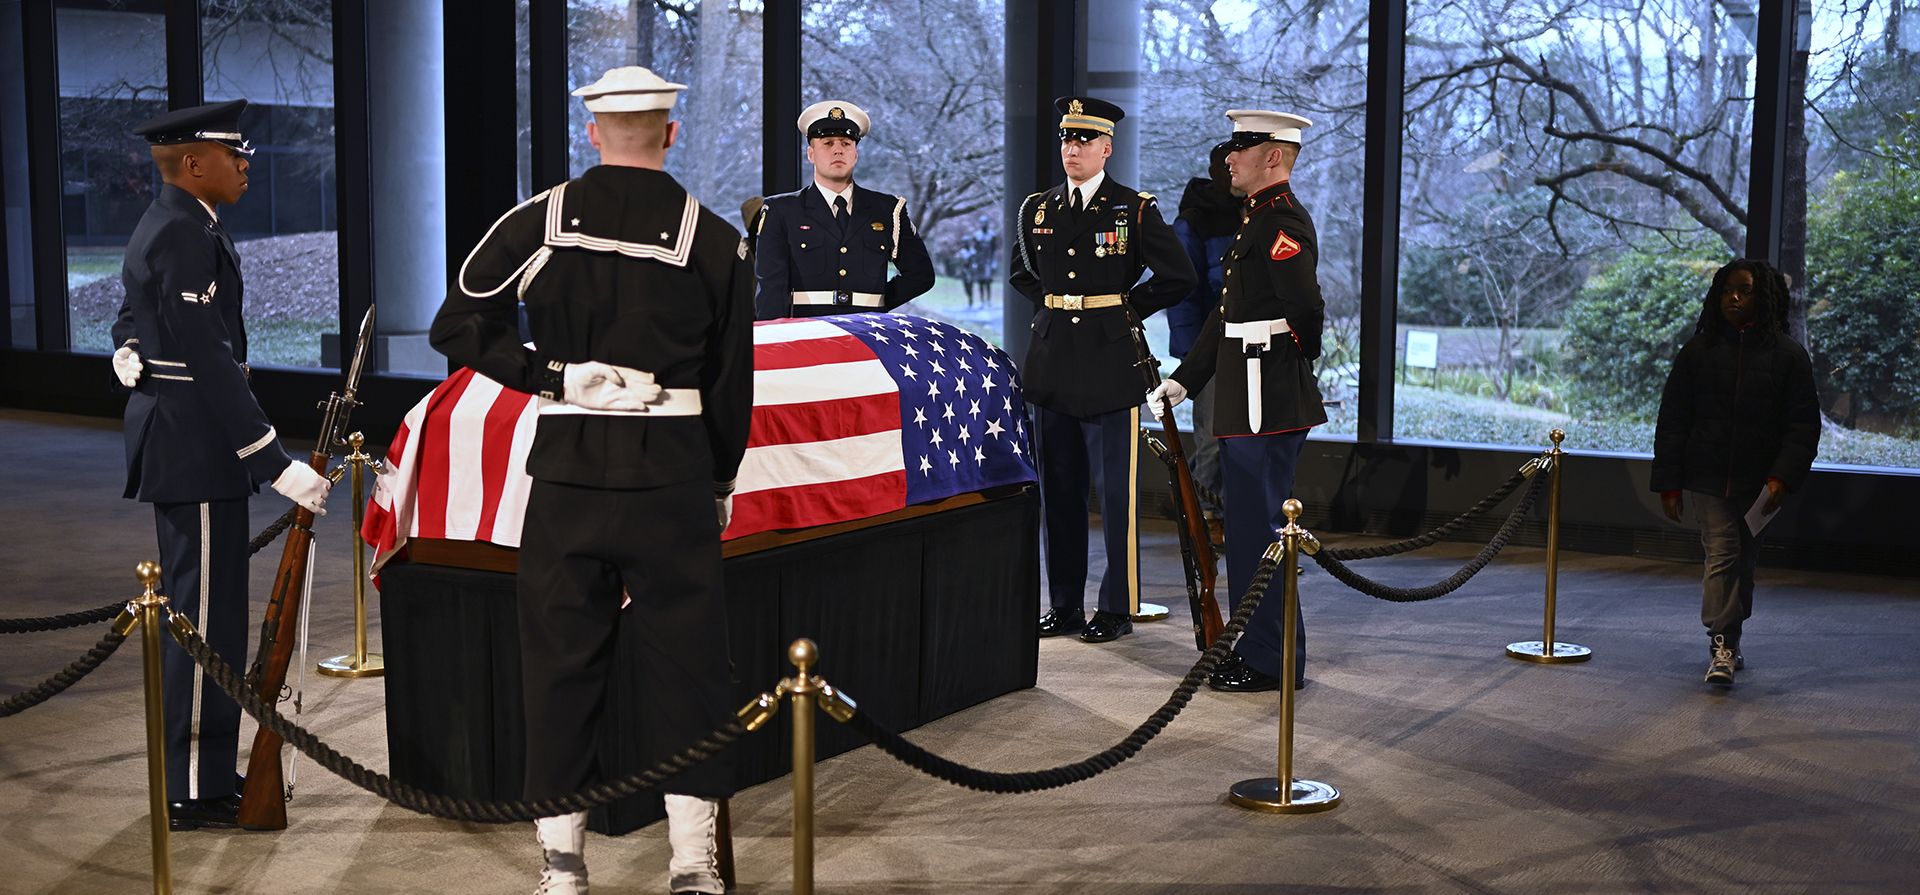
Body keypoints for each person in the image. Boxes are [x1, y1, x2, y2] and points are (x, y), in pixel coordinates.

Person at [429, 66, 753, 895]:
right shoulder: (717, 240)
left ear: (592, 133)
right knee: (689, 670)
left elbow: (458, 323)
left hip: (568, 477)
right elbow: (730, 385)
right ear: (671, 134)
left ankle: (562, 867)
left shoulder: (537, 224)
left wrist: (553, 376)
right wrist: (717, 478)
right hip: (673, 479)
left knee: (560, 665)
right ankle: (691, 865)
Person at [110, 98, 333, 830]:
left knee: (211, 622)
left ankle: (203, 774)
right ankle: (190, 786)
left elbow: (142, 309)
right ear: (195, 163)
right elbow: (206, 358)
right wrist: (274, 461)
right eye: (234, 156)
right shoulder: (181, 231)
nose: (244, 166)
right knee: (203, 625)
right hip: (196, 447)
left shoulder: (183, 224)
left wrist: (128, 344)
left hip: (192, 441)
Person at [1148, 110, 1327, 692]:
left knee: (1262, 533)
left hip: (1264, 397)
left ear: (1272, 156)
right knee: (1249, 532)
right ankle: (1259, 650)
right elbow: (1227, 316)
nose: (1230, 157)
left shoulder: (1281, 223)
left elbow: (1304, 313)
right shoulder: (1253, 219)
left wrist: (1274, 366)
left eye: (1242, 147)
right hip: (1245, 392)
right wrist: (1187, 378)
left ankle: (1272, 661)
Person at [1012, 96, 1196, 644]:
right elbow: (1023, 272)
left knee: (1116, 496)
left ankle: (1117, 606)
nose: (1073, 149)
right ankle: (1065, 603)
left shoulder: (1133, 208)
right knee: (1060, 491)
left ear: (1107, 148)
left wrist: (1124, 309)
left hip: (1111, 362)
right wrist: (1055, 305)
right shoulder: (1037, 208)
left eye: (1085, 141)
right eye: (1067, 140)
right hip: (1052, 363)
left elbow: (1179, 276)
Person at [1651, 259, 1819, 687]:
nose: (1734, 297)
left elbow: (1802, 426)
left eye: (1744, 290)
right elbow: (1672, 420)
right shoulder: (1698, 353)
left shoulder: (1788, 357)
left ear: (1762, 297)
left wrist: (1782, 477)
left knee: (1743, 562)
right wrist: (1669, 482)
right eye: (1727, 290)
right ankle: (1721, 643)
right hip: (1707, 480)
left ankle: (1732, 637)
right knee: (1723, 555)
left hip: (1760, 483)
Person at [753, 100, 935, 319]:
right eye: (828, 143)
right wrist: (774, 343)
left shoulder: (887, 210)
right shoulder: (780, 210)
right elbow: (771, 287)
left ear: (855, 154)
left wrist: (878, 301)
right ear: (811, 154)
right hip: (806, 333)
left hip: (867, 334)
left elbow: (921, 274)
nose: (838, 150)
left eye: (846, 143)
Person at [1167, 145, 1240, 529]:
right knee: (1211, 439)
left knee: (1237, 438)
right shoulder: (1193, 223)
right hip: (1207, 349)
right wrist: (1195, 355)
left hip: (1247, 346)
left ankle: (1224, 517)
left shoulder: (1254, 213)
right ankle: (1203, 520)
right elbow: (1182, 293)